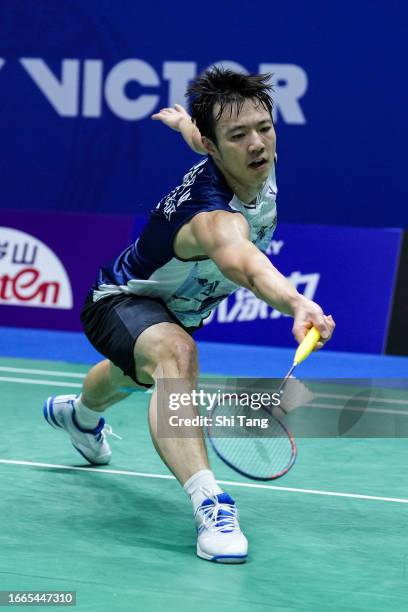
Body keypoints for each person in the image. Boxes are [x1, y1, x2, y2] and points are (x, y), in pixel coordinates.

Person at [43, 67, 335, 564]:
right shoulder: (212, 219)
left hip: (176, 306)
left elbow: (202, 139)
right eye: (238, 136)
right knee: (176, 354)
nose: (257, 144)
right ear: (218, 149)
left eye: (264, 127)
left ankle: (79, 415)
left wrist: (183, 124)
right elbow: (247, 264)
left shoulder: (246, 157)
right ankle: (211, 504)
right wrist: (297, 303)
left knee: (135, 376)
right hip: (119, 299)